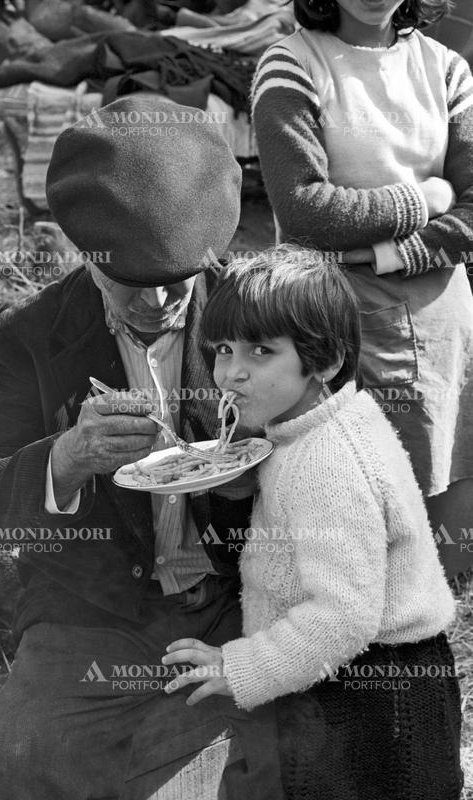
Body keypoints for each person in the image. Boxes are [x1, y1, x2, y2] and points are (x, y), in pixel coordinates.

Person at [0, 95, 283, 800]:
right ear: (88, 254)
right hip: (93, 610)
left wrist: (256, 475)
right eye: (134, 287)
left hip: (235, 594)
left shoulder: (261, 314)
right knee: (24, 762)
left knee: (270, 758)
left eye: (178, 284)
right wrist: (67, 458)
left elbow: (337, 456)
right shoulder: (36, 335)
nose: (159, 306)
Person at [162, 245, 463, 800]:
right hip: (344, 674)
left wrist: (242, 667)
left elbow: (344, 615)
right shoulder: (310, 428)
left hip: (376, 694)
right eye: (222, 349)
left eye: (260, 351)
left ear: (323, 361)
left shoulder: (325, 460)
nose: (231, 372)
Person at [250, 0, 473, 576]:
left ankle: (420, 618)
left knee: (438, 471)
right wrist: (425, 198)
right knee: (341, 485)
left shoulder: (446, 68)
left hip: (438, 308)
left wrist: (387, 251)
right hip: (327, 309)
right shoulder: (292, 64)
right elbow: (305, 211)